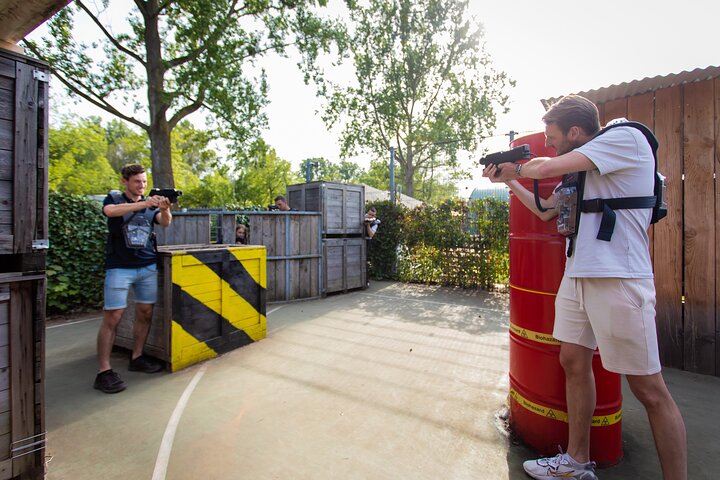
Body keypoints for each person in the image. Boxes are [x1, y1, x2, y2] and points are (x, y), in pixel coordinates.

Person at [483, 95, 687, 480]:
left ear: (575, 131)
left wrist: (519, 166)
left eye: (553, 137)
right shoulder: (581, 170)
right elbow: (546, 210)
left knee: (649, 390)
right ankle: (577, 461)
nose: (550, 143)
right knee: (573, 362)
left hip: (618, 277)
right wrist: (510, 180)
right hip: (577, 275)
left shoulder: (624, 139)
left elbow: (545, 166)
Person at [94, 164, 172, 394]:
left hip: (147, 266)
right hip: (119, 267)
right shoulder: (115, 199)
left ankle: (137, 357)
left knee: (145, 312)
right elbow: (110, 212)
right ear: (124, 181)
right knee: (113, 316)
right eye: (137, 181)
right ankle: (104, 371)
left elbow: (165, 222)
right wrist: (145, 203)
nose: (142, 185)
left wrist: (165, 209)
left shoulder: (150, 204)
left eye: (144, 181)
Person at [364, 207, 380, 286]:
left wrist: (368, 225)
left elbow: (371, 234)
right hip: (358, 240)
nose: (370, 216)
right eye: (369, 214)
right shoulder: (363, 216)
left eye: (372, 215)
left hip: (367, 241)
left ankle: (366, 281)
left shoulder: (375, 223)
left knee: (365, 260)